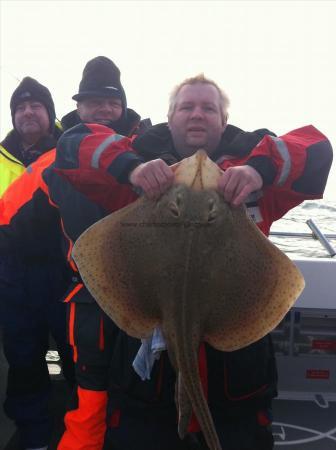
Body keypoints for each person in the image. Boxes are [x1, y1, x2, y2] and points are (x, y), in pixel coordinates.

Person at [1, 71, 332, 450]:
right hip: (148, 376)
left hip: (236, 377)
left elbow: (317, 147)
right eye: (186, 107)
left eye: (208, 108)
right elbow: (73, 143)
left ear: (223, 121)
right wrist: (131, 168)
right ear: (169, 117)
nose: (196, 114)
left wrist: (259, 171)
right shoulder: (137, 174)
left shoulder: (254, 174)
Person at [0, 56, 151, 450]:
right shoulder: (61, 154)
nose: (102, 109)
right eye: (92, 101)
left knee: (127, 376)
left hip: (138, 286)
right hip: (66, 286)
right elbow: (11, 215)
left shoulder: (153, 145)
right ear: (78, 107)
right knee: (65, 372)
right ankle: (44, 437)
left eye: (111, 102)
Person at [0, 77, 75, 450]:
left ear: (50, 114)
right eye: (20, 107)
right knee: (24, 358)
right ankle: (34, 435)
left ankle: (81, 428)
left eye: (36, 106)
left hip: (65, 274)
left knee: (73, 356)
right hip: (11, 277)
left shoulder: (71, 150)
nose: (28, 112)